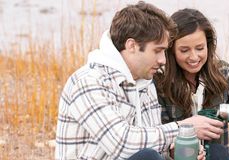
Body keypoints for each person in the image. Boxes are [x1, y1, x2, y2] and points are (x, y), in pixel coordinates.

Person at [55, 2, 210, 160]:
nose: (163, 60)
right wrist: (181, 128)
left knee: (212, 153)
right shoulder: (88, 82)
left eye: (164, 51)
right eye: (157, 51)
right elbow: (122, 143)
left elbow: (147, 144)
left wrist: (173, 153)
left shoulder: (145, 82)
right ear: (132, 46)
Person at [154, 8, 229, 160]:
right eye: (184, 50)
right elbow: (160, 133)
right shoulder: (160, 82)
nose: (194, 57)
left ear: (208, 45)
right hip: (179, 156)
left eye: (200, 48)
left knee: (218, 150)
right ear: (171, 49)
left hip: (216, 155)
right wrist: (175, 150)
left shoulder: (222, 71)